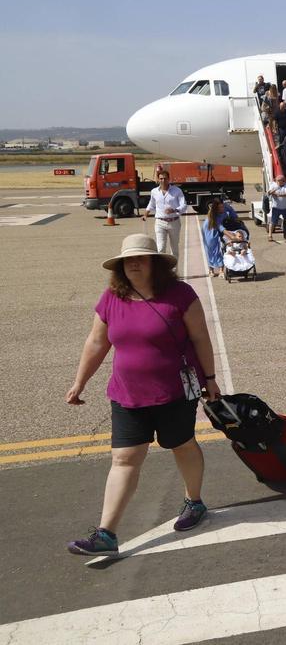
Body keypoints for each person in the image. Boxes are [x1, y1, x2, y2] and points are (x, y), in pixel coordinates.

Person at [65, 234, 220, 556]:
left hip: (174, 392)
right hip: (127, 395)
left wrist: (210, 378)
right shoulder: (112, 297)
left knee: (181, 444)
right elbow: (96, 342)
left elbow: (201, 337)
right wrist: (80, 382)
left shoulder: (179, 295)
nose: (133, 263)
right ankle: (106, 533)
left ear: (155, 264)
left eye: (141, 258)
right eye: (128, 260)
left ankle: (194, 502)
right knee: (124, 459)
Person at [143, 167, 186, 258]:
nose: (163, 180)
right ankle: (162, 271)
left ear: (169, 179)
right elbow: (151, 203)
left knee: (174, 249)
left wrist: (174, 210)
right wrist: (146, 214)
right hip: (160, 222)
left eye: (165, 178)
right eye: (161, 178)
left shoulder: (177, 191)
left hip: (174, 222)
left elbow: (184, 205)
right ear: (158, 179)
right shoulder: (154, 191)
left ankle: (174, 271)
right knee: (161, 248)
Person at [199, 199, 226, 277]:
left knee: (220, 249)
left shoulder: (224, 211)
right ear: (216, 209)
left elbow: (232, 216)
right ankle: (211, 270)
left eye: (222, 207)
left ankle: (221, 270)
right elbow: (221, 228)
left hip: (218, 229)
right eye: (220, 208)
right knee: (210, 250)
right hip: (209, 230)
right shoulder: (214, 216)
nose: (222, 209)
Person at [266, 174, 286, 243]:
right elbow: (269, 192)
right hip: (276, 207)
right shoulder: (273, 185)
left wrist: (278, 195)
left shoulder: (285, 185)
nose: (282, 182)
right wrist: (273, 191)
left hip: (285, 207)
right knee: (273, 222)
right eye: (279, 181)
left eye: (282, 181)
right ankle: (270, 235)